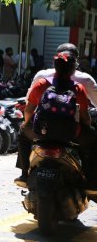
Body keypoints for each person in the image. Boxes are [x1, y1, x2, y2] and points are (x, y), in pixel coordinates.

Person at [16, 43, 97, 194]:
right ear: (74, 66)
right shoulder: (79, 86)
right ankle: (90, 180)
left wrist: (27, 124)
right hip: (71, 135)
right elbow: (85, 118)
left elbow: (28, 109)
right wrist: (87, 127)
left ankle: (24, 173)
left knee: (22, 133)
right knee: (93, 140)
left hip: (42, 132)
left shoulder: (41, 81)